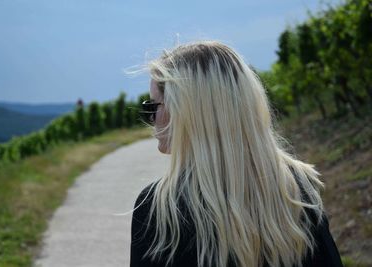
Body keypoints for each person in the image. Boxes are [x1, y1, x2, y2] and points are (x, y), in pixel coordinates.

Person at [130, 41, 343, 267]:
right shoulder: (296, 188)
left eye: (153, 106)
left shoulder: (159, 210)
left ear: (185, 112)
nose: (151, 118)